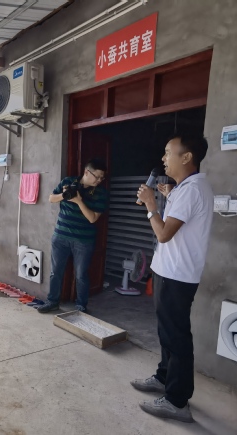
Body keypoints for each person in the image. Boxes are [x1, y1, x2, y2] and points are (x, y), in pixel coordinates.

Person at [132, 135, 213, 423]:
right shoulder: (185, 188)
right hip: (169, 271)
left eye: (168, 152)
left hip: (177, 276)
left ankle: (177, 401)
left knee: (176, 336)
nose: (163, 158)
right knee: (167, 332)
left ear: (187, 157)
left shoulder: (192, 190)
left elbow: (164, 233)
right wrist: (168, 196)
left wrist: (151, 205)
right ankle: (164, 377)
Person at [38, 158, 109, 313]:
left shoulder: (101, 193)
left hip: (84, 241)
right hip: (60, 236)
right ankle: (52, 301)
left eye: (101, 178)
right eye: (97, 176)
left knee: (81, 274)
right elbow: (51, 198)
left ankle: (81, 306)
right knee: (55, 272)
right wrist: (64, 195)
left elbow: (92, 218)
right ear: (86, 172)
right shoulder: (68, 181)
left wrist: (78, 201)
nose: (99, 180)